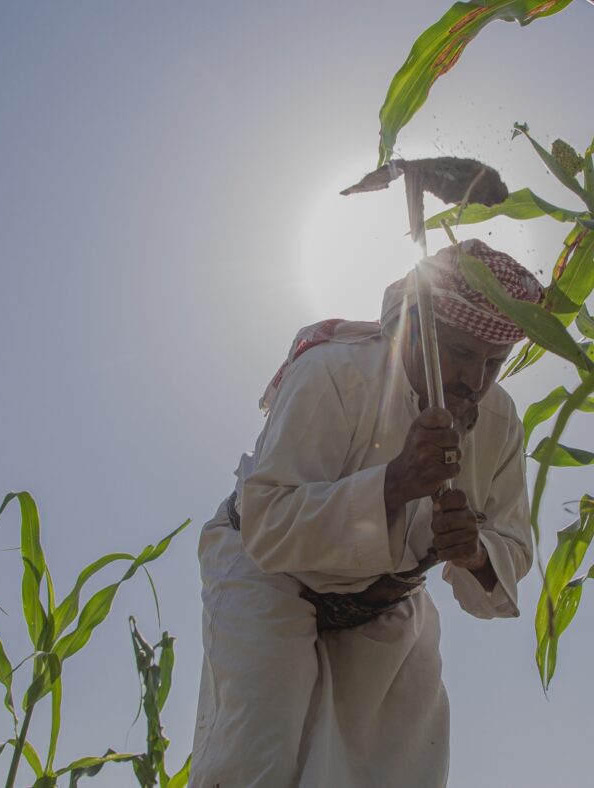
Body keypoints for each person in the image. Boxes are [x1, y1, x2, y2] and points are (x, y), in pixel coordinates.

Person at [188, 239, 542, 787]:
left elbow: (513, 547)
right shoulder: (334, 373)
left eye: (493, 363)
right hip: (268, 577)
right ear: (418, 329)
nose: (474, 381)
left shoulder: (500, 423)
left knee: (396, 769)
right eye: (460, 354)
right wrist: (395, 484)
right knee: (254, 763)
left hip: (385, 601)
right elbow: (270, 525)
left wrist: (474, 554)